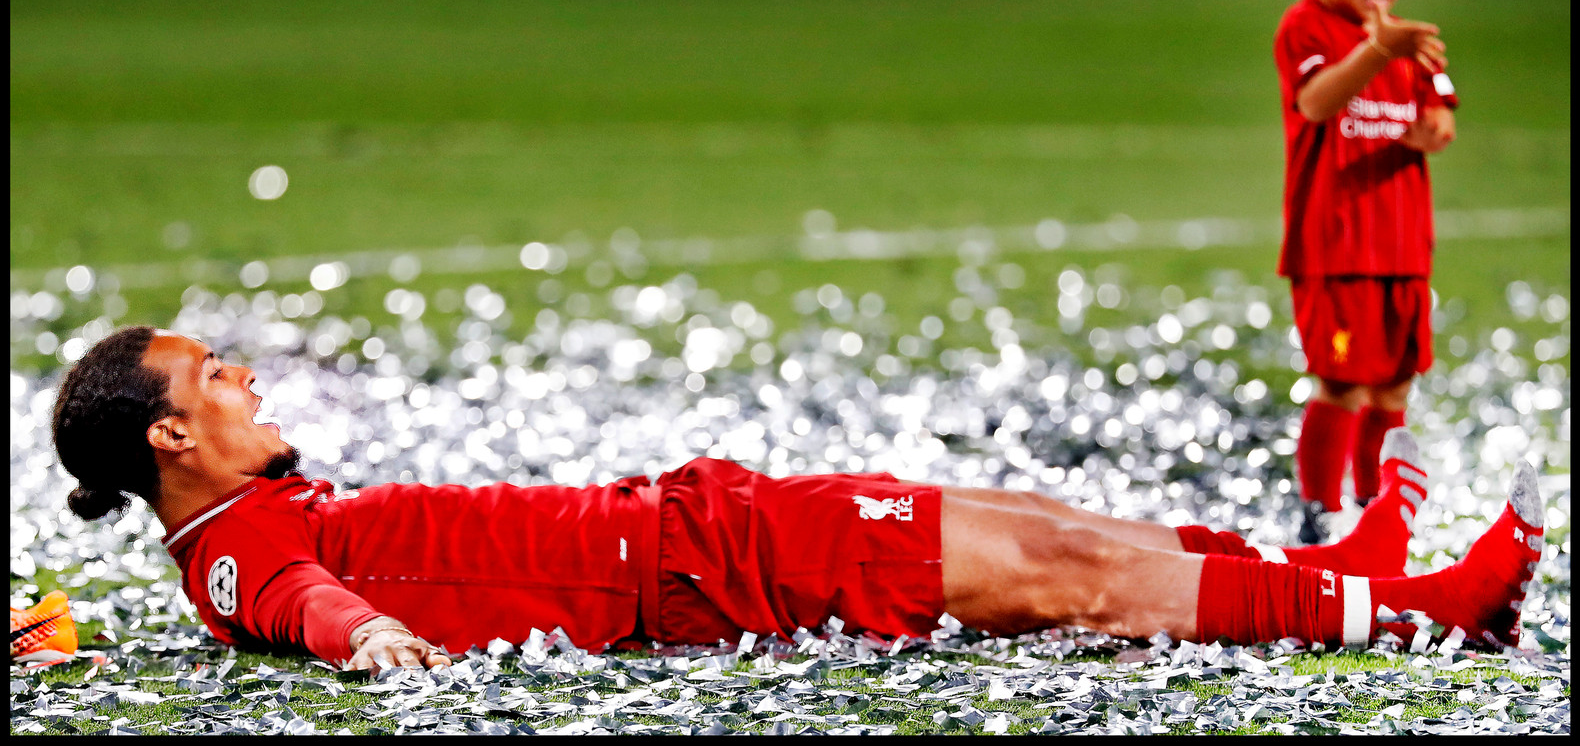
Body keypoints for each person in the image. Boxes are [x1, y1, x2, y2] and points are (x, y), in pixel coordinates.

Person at [51, 327, 1540, 673]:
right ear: (173, 435)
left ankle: (1342, 570)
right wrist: (370, 637)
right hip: (703, 572)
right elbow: (302, 602)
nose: (245, 375)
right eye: (214, 374)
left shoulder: (240, 520)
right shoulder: (237, 552)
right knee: (1060, 571)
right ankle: (1419, 612)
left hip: (692, 523)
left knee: (1033, 522)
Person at [1263, 0, 1461, 545]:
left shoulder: (1405, 40)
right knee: (1342, 384)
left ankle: (1377, 511)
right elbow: (1317, 102)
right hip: (1336, 244)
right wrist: (1378, 50)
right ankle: (1320, 513)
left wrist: (1433, 128)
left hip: (1403, 243)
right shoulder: (1307, 28)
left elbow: (1441, 111)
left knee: (1394, 387)